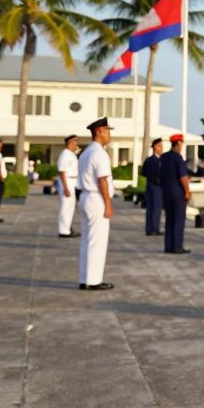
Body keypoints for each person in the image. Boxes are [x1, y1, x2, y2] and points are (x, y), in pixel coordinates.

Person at [78, 118, 115, 290]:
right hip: (96, 198)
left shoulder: (86, 152)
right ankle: (93, 281)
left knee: (87, 240)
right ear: (99, 131)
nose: (109, 135)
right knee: (97, 242)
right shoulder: (99, 153)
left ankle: (85, 278)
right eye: (107, 131)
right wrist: (108, 204)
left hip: (86, 197)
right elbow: (102, 180)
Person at [160, 134, 192, 254]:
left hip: (166, 192)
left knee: (169, 219)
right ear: (178, 143)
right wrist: (187, 191)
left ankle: (168, 246)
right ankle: (177, 246)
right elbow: (183, 177)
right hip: (177, 193)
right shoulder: (178, 158)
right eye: (182, 143)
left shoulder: (163, 157)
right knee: (178, 220)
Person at [56, 135, 81, 237]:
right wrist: (66, 188)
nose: (76, 144)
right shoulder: (65, 155)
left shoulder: (71, 154)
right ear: (70, 142)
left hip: (72, 181)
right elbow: (62, 172)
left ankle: (67, 227)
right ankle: (63, 231)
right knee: (66, 207)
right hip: (67, 181)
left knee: (70, 207)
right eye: (75, 142)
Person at [141, 139, 164, 236]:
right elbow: (144, 172)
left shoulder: (157, 159)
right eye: (160, 146)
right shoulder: (152, 160)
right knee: (154, 208)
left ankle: (151, 229)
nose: (161, 148)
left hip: (152, 186)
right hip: (155, 186)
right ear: (155, 147)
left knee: (154, 208)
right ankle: (153, 229)